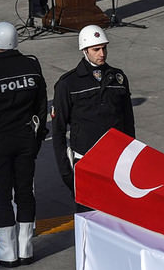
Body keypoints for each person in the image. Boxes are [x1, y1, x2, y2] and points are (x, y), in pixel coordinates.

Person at [0, 21, 48, 267]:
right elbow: (41, 107)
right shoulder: (32, 67)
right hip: (26, 139)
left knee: (1, 195)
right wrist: (36, 138)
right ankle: (26, 248)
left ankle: (7, 250)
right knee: (25, 192)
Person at [51, 25, 135, 204]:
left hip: (116, 162)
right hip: (86, 161)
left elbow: (128, 122)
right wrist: (66, 171)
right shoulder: (68, 84)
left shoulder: (118, 78)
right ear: (84, 50)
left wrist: (130, 158)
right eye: (96, 49)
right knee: (89, 216)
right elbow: (58, 130)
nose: (102, 53)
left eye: (104, 48)